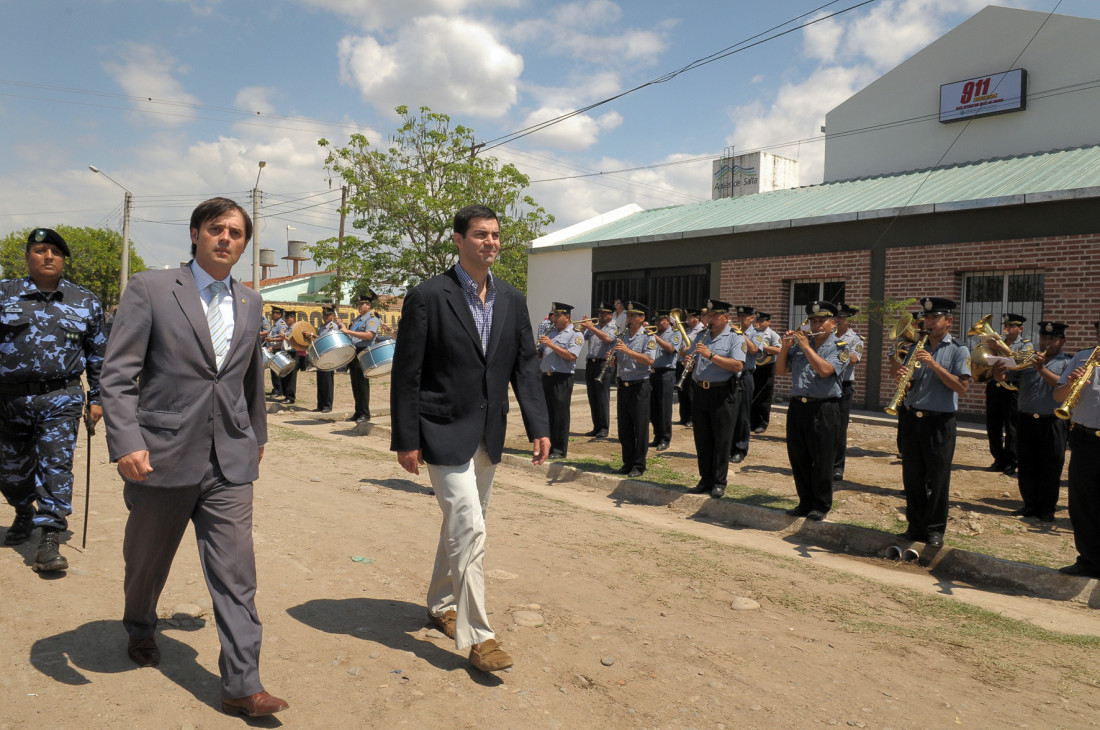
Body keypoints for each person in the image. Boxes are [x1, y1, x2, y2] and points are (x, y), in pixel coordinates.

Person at [100, 197, 287, 717]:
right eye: (216, 229)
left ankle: (243, 684)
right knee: (146, 562)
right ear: (195, 234)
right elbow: (118, 375)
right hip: (161, 455)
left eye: (236, 232)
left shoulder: (250, 302)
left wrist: (256, 436)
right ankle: (140, 625)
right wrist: (127, 441)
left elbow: (249, 379)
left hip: (229, 460)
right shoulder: (152, 289)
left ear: (244, 244)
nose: (226, 238)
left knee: (236, 572)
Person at [389, 204, 550, 673]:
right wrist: (406, 438)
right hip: (440, 430)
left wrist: (539, 425)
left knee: (462, 524)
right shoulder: (427, 296)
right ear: (459, 240)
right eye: (481, 235)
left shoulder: (513, 299)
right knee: (471, 527)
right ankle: (481, 637)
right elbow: (407, 373)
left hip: (488, 433)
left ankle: (442, 603)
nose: (490, 242)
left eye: (495, 235)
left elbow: (524, 366)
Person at [0, 228, 106, 572]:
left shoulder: (85, 301)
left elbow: (98, 354)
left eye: (56, 252)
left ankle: (49, 538)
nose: (48, 257)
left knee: (56, 465)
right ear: (27, 256)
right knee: (9, 471)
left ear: (63, 260)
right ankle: (23, 510)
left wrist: (98, 397)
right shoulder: (4, 294)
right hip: (8, 398)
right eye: (40, 250)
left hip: (61, 396)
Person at [892, 297, 970, 547]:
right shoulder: (915, 347)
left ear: (949, 321)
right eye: (927, 318)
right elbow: (910, 382)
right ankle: (915, 526)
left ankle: (935, 530)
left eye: (935, 318)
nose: (930, 322)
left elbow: (961, 387)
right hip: (912, 418)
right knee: (912, 477)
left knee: (938, 479)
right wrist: (902, 377)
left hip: (939, 422)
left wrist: (934, 364)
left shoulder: (959, 350)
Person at [776, 301, 847, 520]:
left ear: (832, 323)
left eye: (821, 321)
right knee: (799, 457)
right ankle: (804, 502)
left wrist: (806, 347)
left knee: (822, 459)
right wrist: (786, 347)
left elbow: (826, 370)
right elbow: (781, 370)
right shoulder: (799, 345)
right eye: (813, 321)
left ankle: (821, 505)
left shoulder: (840, 347)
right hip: (798, 405)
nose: (816, 325)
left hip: (824, 407)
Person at [1001, 321, 1070, 522]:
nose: (1047, 342)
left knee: (1051, 465)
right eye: (1044, 338)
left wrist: (1041, 369)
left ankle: (1047, 508)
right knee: (1027, 463)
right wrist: (997, 371)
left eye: (1053, 339)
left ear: (1062, 341)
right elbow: (1007, 377)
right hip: (1026, 418)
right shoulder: (1028, 358)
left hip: (1053, 421)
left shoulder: (1067, 362)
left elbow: (1062, 385)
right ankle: (1029, 504)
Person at [1053, 317, 1100, 577]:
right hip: (1084, 438)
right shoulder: (1082, 357)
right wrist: (1071, 383)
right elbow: (1057, 396)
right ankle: (1089, 561)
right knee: (1082, 502)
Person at [683, 301, 744, 498]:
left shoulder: (735, 336)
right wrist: (688, 362)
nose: (710, 319)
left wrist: (710, 355)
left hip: (722, 392)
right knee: (702, 438)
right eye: (708, 315)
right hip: (701, 390)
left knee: (721, 439)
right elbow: (692, 358)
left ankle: (719, 481)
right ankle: (705, 479)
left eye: (715, 315)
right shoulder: (702, 335)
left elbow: (737, 365)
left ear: (726, 317)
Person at [614, 301, 656, 478]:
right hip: (623, 384)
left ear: (642, 318)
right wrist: (612, 359)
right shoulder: (622, 335)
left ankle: (639, 465)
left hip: (640, 385)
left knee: (640, 427)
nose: (629, 319)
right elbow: (619, 358)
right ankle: (627, 462)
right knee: (624, 427)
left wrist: (628, 351)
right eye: (628, 316)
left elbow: (649, 360)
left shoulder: (648, 337)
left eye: (632, 316)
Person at [986, 313, 1030, 477]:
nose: (1008, 329)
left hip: (1012, 389)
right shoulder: (997, 343)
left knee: (1012, 427)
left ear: (1020, 328)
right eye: (1006, 326)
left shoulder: (1026, 344)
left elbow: (1022, 361)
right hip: (994, 387)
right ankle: (998, 459)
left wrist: (1000, 347)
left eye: (1012, 326)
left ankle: (1012, 462)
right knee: (993, 426)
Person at [538, 302, 583, 458]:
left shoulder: (575, 334)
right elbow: (541, 353)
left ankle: (559, 449)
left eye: (558, 316)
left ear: (567, 317)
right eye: (553, 315)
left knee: (560, 415)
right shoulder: (551, 332)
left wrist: (551, 344)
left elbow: (571, 356)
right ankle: (547, 447)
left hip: (562, 378)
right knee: (547, 414)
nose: (554, 319)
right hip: (546, 376)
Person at [833, 304, 865, 482]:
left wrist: (837, 345)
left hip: (843, 385)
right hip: (825, 384)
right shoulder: (827, 336)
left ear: (849, 321)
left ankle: (837, 467)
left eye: (841, 318)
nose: (837, 320)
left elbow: (854, 359)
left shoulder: (856, 339)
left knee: (839, 429)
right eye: (836, 317)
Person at [341, 291, 380, 422]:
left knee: (362, 384)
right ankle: (358, 412)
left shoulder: (372, 319)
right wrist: (343, 327)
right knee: (355, 383)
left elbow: (369, 335)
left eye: (361, 304)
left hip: (363, 352)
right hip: (354, 351)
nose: (359, 306)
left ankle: (364, 413)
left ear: (368, 305)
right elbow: (352, 335)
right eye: (358, 304)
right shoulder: (358, 319)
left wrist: (348, 331)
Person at [579, 302, 616, 438]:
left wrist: (591, 327)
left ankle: (604, 427)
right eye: (600, 312)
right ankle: (596, 426)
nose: (600, 315)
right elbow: (581, 338)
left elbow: (607, 338)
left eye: (604, 313)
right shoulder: (594, 326)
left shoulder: (614, 327)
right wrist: (583, 328)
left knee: (602, 397)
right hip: (591, 363)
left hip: (603, 364)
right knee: (592, 396)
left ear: (610, 315)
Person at [649, 310, 682, 451]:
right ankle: (657, 436)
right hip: (652, 373)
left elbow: (671, 349)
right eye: (655, 321)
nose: (657, 323)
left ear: (668, 321)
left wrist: (654, 337)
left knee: (664, 408)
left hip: (666, 373)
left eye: (660, 320)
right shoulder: (654, 333)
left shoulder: (675, 333)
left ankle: (665, 438)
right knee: (653, 407)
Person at [730, 305, 759, 463]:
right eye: (739, 316)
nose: (740, 319)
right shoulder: (732, 332)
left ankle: (740, 449)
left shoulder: (756, 333)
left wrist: (741, 334)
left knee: (743, 415)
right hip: (731, 376)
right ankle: (729, 447)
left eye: (744, 317)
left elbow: (754, 350)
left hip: (746, 376)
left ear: (751, 318)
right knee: (730, 413)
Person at [750, 312, 781, 433]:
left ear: (768, 322)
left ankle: (762, 423)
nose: (759, 323)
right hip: (755, 366)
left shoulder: (772, 334)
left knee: (765, 396)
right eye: (757, 321)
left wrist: (763, 347)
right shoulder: (754, 333)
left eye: (762, 321)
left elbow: (779, 350)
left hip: (767, 367)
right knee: (753, 394)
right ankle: (752, 422)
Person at [677, 307, 704, 427]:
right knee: (682, 392)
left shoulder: (702, 330)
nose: (687, 319)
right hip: (682, 363)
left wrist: (687, 350)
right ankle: (684, 416)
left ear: (697, 318)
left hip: (693, 364)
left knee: (691, 392)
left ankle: (692, 418)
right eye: (687, 316)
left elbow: (698, 346)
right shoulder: (686, 330)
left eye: (689, 317)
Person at [312, 306, 341, 413]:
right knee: (320, 381)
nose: (325, 317)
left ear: (332, 316)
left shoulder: (333, 326)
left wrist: (313, 335)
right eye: (324, 315)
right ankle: (320, 404)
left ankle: (327, 405)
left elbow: (330, 339)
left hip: (329, 356)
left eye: (328, 315)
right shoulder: (322, 327)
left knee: (327, 382)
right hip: (321, 356)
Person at [264, 307, 287, 397]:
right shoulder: (276, 324)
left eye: (274, 313)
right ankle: (276, 388)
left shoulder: (281, 324)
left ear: (279, 315)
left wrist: (272, 340)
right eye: (272, 313)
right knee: (273, 370)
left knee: (276, 370)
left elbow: (282, 337)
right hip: (273, 349)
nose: (272, 315)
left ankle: (279, 390)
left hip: (277, 349)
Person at [278, 312, 299, 404]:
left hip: (292, 353)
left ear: (293, 318)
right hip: (286, 353)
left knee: (291, 377)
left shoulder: (296, 328)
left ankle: (290, 397)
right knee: (285, 375)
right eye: (285, 318)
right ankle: (286, 395)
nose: (286, 320)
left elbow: (295, 341)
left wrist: (285, 337)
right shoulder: (287, 328)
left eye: (288, 318)